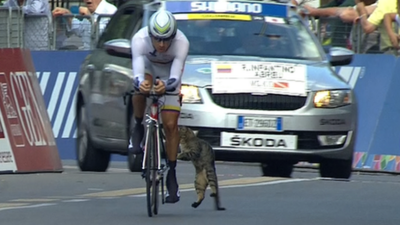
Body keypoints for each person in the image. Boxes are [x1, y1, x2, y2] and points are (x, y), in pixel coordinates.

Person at [130, 9, 189, 204]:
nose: (162, 45)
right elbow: (137, 72)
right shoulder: (139, 39)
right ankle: (138, 125)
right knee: (139, 91)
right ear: (150, 35)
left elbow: (175, 76)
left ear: (173, 36)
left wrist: (168, 85)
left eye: (166, 40)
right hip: (148, 68)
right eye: (157, 39)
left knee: (171, 125)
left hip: (169, 74)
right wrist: (141, 84)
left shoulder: (182, 42)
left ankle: (172, 173)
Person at [52, 0, 117, 50]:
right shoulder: (89, 11)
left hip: (101, 56)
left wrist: (90, 18)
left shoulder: (111, 11)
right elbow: (81, 30)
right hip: (86, 54)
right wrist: (68, 14)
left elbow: (104, 37)